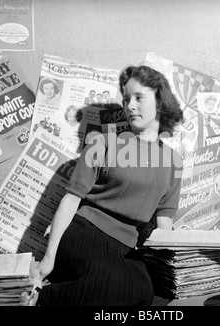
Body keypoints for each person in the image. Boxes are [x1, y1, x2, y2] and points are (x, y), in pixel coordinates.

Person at [32, 65, 185, 306]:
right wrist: (48, 258)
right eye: (126, 99)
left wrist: (180, 266)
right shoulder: (102, 142)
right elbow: (71, 199)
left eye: (138, 97)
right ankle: (36, 300)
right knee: (114, 287)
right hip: (84, 233)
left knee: (142, 292)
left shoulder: (174, 162)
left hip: (125, 247)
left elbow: (164, 222)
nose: (130, 106)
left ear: (159, 101)